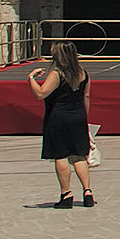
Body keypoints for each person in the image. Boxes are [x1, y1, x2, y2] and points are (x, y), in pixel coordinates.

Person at [29, 44, 95, 208]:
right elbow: (86, 95)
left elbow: (41, 93)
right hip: (78, 116)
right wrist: (84, 117)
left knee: (61, 155)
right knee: (79, 155)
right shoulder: (82, 73)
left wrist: (31, 78)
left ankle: (66, 194)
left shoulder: (57, 73)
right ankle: (88, 192)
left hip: (59, 117)